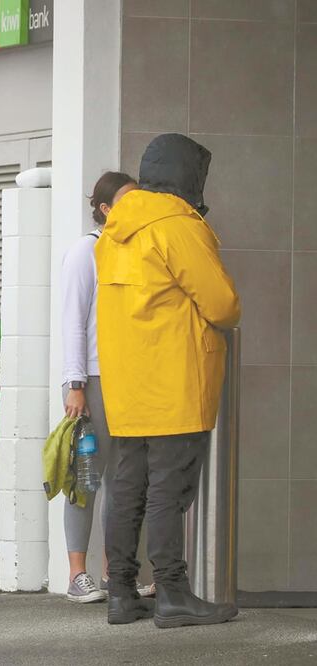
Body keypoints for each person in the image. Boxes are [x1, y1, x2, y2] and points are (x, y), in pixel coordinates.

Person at [96, 133, 241, 628]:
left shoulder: (116, 230)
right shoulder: (178, 227)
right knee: (167, 491)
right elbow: (222, 305)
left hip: (127, 383)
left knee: (128, 488)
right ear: (189, 177)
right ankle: (173, 593)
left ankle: (119, 592)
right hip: (176, 379)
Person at [59, 171, 147, 604]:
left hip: (126, 378)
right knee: (86, 477)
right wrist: (74, 385)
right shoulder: (86, 250)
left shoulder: (133, 250)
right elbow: (72, 322)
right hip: (89, 380)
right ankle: (77, 574)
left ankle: (116, 572)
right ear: (105, 208)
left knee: (124, 480)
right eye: (127, 200)